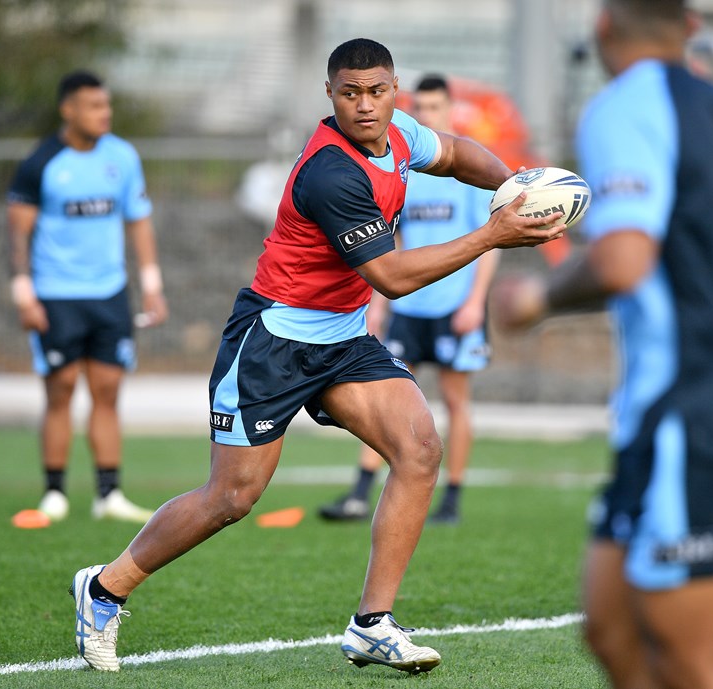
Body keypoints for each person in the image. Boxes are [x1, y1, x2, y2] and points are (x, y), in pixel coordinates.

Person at [69, 38, 566, 675]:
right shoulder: (332, 173)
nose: (365, 105)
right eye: (350, 93)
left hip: (343, 339)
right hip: (272, 343)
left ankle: (373, 625)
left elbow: (458, 153)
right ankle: (105, 588)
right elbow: (390, 275)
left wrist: (517, 186)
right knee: (232, 497)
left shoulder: (402, 133)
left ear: (395, 91)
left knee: (418, 450)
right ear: (329, 95)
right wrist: (495, 233)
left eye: (378, 91)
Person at [491, 2, 713, 688]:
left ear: (602, 29)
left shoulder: (619, 110)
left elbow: (625, 260)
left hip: (691, 415)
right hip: (695, 415)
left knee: (693, 657)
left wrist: (538, 298)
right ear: (690, 27)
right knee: (613, 628)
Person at [319, 74, 497, 525]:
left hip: (455, 304)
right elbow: (390, 239)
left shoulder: (466, 171)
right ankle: (361, 490)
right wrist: (379, 303)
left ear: (450, 110)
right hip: (408, 303)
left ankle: (453, 497)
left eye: (437, 108)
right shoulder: (406, 168)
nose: (428, 116)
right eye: (423, 108)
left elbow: (492, 242)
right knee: (388, 398)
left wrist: (475, 302)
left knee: (455, 400)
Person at [7, 71, 168, 524]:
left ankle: (108, 494)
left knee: (109, 390)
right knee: (59, 390)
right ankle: (55, 492)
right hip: (55, 295)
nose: (105, 114)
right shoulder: (42, 162)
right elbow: (17, 234)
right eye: (95, 106)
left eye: (107, 105)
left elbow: (138, 220)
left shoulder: (122, 156)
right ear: (69, 111)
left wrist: (151, 283)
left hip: (110, 293)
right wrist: (24, 294)